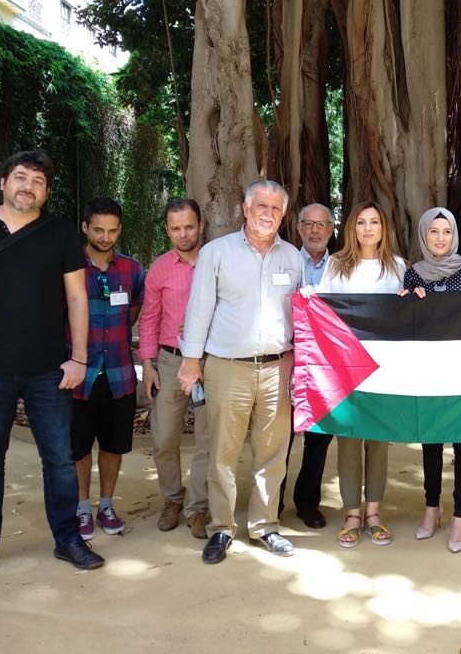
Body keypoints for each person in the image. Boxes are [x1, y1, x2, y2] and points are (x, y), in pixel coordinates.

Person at [0, 149, 103, 586]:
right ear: (3, 182)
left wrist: (79, 358)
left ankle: (68, 538)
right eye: (21, 177)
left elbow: (77, 297)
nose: (27, 186)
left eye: (38, 181)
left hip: (49, 369)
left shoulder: (60, 232)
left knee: (60, 462)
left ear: (46, 193)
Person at [178, 180, 302, 563]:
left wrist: (302, 365)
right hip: (227, 368)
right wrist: (191, 362)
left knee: (272, 453)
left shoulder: (293, 258)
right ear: (245, 209)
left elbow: (302, 316)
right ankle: (221, 528)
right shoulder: (217, 253)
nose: (268, 214)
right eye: (261, 206)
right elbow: (199, 309)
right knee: (223, 453)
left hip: (278, 368)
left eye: (276, 209)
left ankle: (265, 526)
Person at [315, 201, 406, 548]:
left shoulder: (397, 267)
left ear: (384, 228)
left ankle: (373, 513)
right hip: (346, 367)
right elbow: (324, 311)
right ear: (352, 228)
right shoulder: (338, 266)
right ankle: (352, 513)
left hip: (384, 369)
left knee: (378, 442)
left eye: (375, 222)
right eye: (362, 223)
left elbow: (407, 315)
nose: (368, 229)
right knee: (349, 440)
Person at [401, 206, 461, 553]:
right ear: (424, 235)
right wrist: (407, 305)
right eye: (433, 232)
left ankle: (460, 516)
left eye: (446, 231)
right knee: (431, 440)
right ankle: (432, 510)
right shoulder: (413, 275)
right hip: (428, 368)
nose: (439, 238)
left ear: (454, 235)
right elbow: (407, 324)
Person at [71, 198, 145, 540]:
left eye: (112, 230)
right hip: (78, 375)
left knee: (114, 444)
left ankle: (106, 505)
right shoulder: (69, 267)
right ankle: (82, 507)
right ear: (85, 227)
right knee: (79, 446)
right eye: (98, 229)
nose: (105, 236)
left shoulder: (132, 270)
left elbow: (134, 310)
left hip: (118, 372)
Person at [138, 198, 211, 538]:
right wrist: (148, 364)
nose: (183, 234)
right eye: (176, 228)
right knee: (165, 435)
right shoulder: (160, 268)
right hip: (169, 361)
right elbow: (150, 318)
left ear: (201, 226)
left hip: (212, 361)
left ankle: (199, 507)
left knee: (207, 438)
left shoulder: (216, 262)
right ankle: (172, 499)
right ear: (167, 230)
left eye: (189, 227)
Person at [287, 203, 336, 529]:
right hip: (288, 357)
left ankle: (307, 502)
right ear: (299, 228)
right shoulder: (286, 260)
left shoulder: (343, 265)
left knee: (318, 438)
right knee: (280, 436)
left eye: (322, 225)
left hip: (327, 363)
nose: (315, 231)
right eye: (309, 224)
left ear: (332, 228)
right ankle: (271, 502)